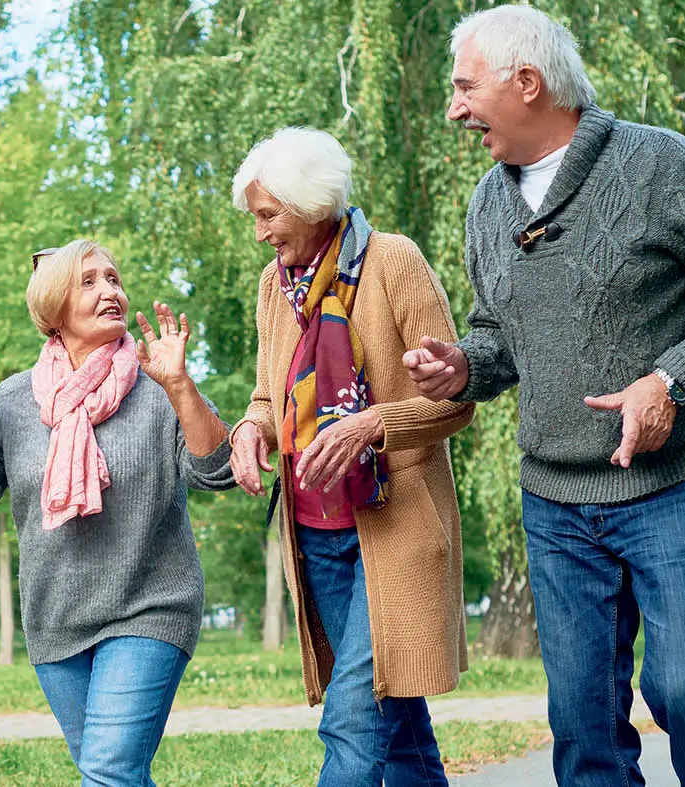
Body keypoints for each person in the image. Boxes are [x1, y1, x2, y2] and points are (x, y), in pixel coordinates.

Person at [404, 7, 685, 786]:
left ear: (527, 82)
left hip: (676, 485)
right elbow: (499, 336)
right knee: (583, 727)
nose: (453, 109)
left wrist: (669, 381)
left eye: (463, 88)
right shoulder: (488, 202)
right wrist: (464, 367)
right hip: (555, 501)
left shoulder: (661, 164)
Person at [0, 239, 234, 786]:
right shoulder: (14, 401)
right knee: (117, 773)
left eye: (113, 279)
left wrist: (182, 386)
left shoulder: (157, 385)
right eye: (89, 282)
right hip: (57, 621)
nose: (110, 291)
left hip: (150, 608)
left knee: (108, 771)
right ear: (54, 308)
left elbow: (217, 470)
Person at [227, 127, 475, 786]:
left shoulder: (393, 261)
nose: (260, 233)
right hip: (317, 536)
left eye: (268, 215)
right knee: (396, 719)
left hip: (392, 530)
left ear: (311, 204)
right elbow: (264, 395)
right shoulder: (272, 286)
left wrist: (371, 425)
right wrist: (251, 431)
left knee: (352, 719)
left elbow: (457, 399)